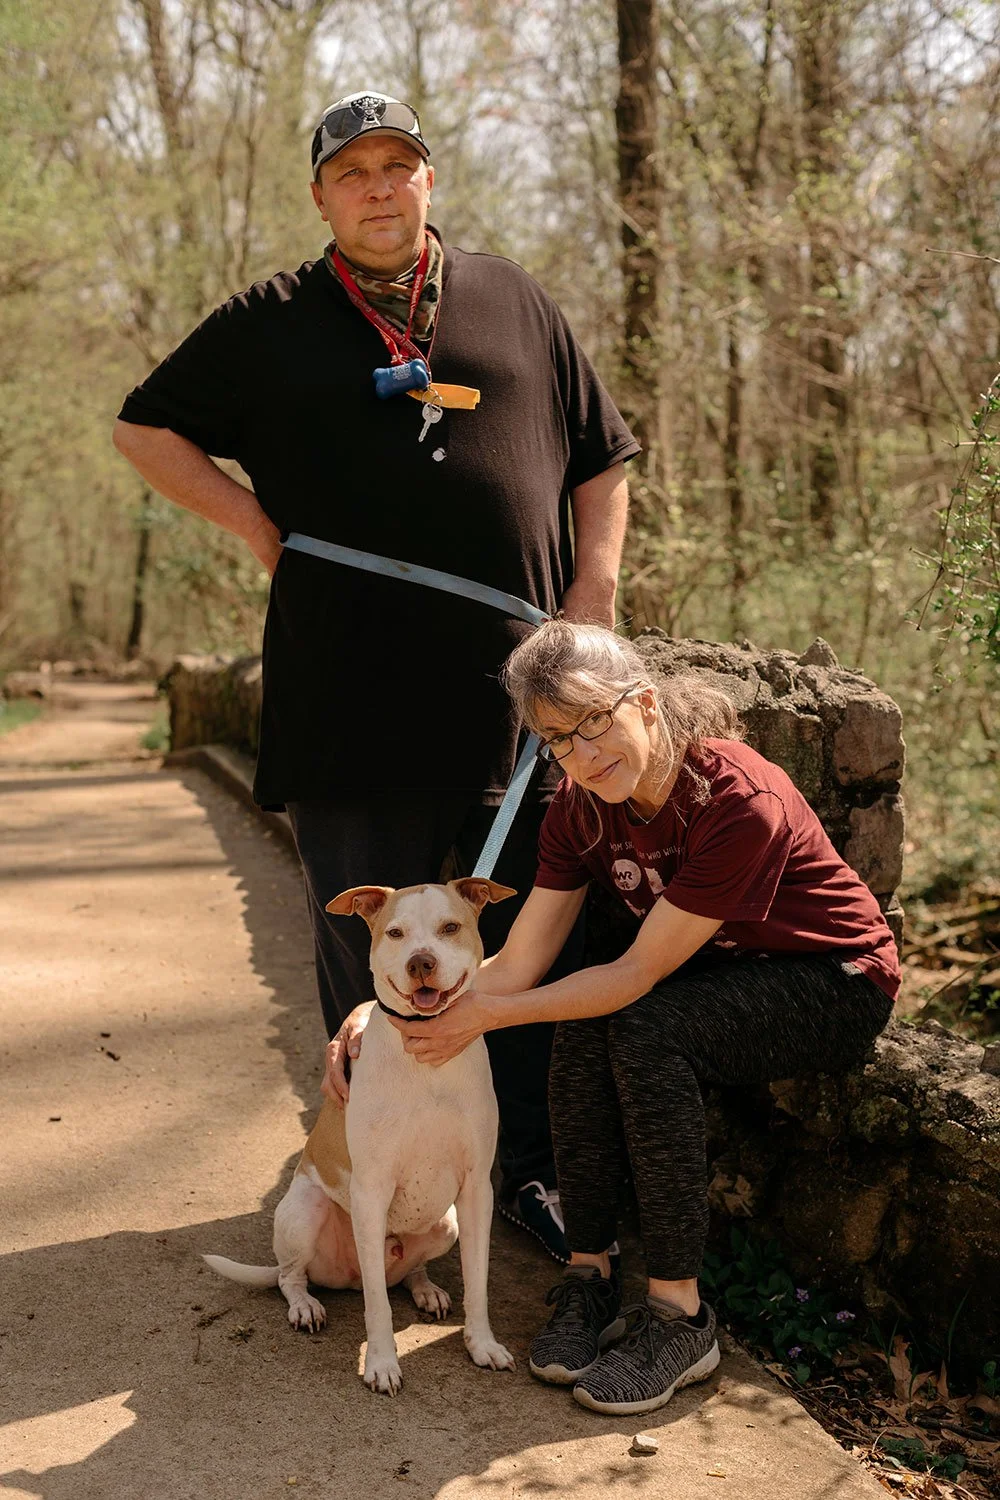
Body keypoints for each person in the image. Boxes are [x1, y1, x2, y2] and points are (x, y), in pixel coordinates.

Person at [112, 91, 640, 1261]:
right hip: (345, 710)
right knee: (372, 969)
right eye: (354, 172)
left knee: (529, 952)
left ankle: (530, 1181)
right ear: (320, 196)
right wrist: (259, 527)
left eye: (399, 165)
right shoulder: (271, 321)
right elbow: (144, 430)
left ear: (429, 181)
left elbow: (604, 457)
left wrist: (593, 599)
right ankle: (370, 1203)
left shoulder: (513, 299)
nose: (380, 187)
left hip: (516, 713)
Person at [327, 619, 899, 1416]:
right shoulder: (579, 810)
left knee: (633, 1020)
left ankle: (678, 1316)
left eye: (595, 722)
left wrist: (481, 1021)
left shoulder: (737, 799)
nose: (583, 754)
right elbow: (518, 965)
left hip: (831, 980)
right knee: (584, 1015)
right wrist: (383, 1012)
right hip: (711, 976)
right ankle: (589, 1275)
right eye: (558, 740)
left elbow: (633, 976)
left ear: (648, 702)